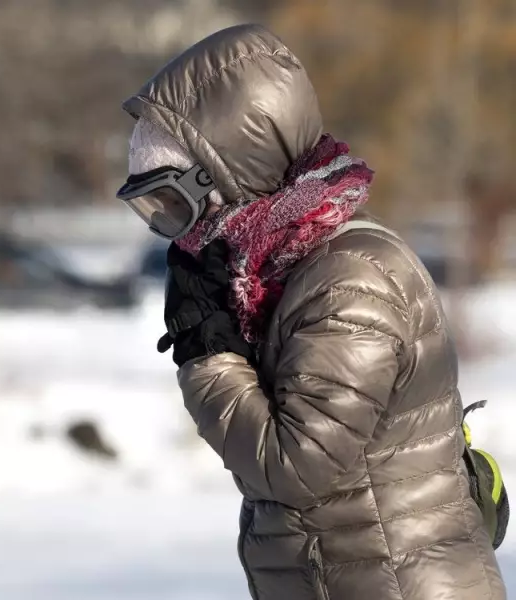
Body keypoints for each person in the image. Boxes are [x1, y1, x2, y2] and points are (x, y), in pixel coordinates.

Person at [116, 24, 507, 600]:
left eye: (172, 203)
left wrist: (209, 355)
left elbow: (297, 469)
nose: (173, 232)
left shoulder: (350, 278)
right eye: (151, 208)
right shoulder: (279, 275)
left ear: (229, 175)